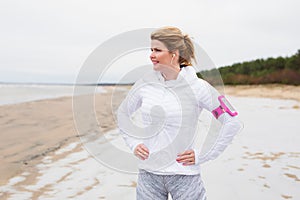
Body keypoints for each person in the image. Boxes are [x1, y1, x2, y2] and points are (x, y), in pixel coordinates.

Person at [117, 26, 242, 200]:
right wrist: (134, 144)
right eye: (151, 50)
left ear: (174, 54)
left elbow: (232, 121)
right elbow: (122, 114)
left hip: (185, 177)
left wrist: (204, 153)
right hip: (149, 175)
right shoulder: (145, 84)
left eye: (157, 50)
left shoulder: (199, 88)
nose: (151, 55)